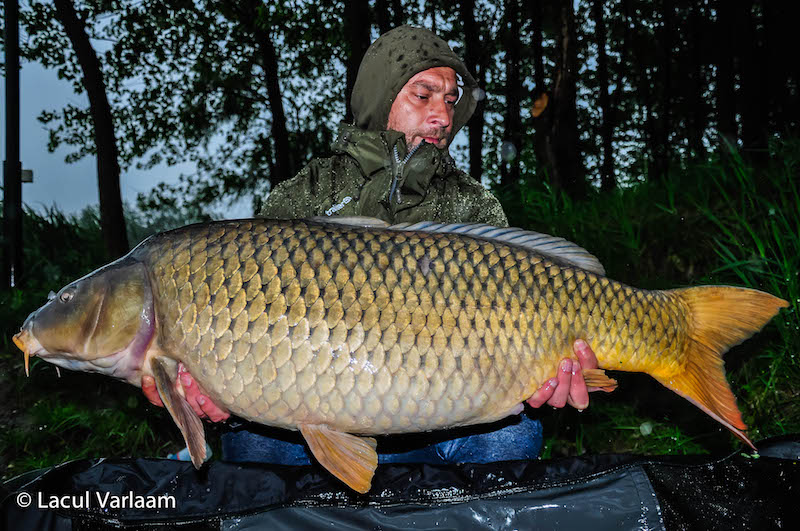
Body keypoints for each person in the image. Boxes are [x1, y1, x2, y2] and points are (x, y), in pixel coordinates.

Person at [142, 25, 601, 466]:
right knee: (253, 445)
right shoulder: (304, 195)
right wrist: (214, 388)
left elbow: (522, 332)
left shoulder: (472, 204)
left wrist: (547, 377)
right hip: (308, 423)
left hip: (440, 425)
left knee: (512, 436)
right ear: (382, 96)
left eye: (450, 100)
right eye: (423, 96)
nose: (442, 115)